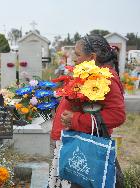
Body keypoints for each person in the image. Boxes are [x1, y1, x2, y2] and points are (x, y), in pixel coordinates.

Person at [48, 34, 126, 188]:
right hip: (71, 141)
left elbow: (117, 115)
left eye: (77, 54)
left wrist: (75, 120)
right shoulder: (90, 73)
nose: (74, 58)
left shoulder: (105, 78)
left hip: (82, 147)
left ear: (92, 57)